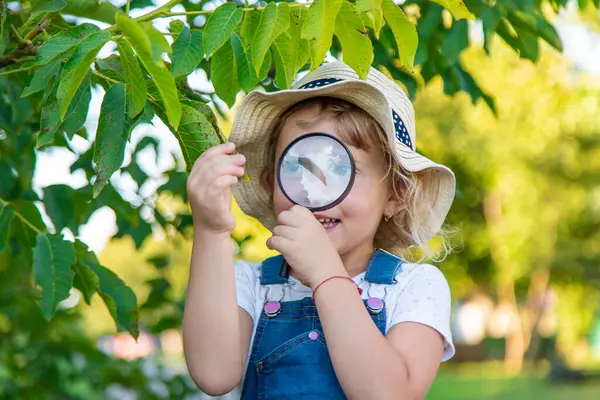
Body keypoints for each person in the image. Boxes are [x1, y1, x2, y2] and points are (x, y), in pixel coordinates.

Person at [183, 62, 456, 399]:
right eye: (299, 166)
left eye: (343, 168)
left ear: (395, 194)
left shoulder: (415, 287)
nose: (315, 189)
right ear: (271, 184)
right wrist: (210, 230)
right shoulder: (251, 285)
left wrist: (326, 273)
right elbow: (213, 374)